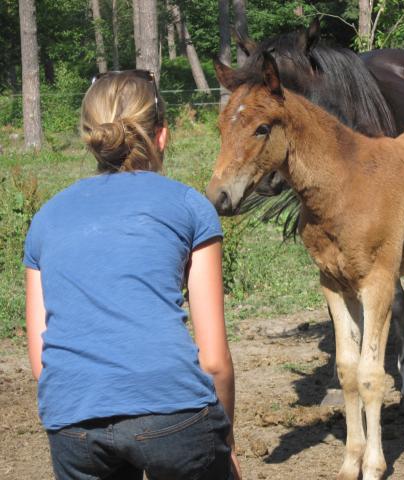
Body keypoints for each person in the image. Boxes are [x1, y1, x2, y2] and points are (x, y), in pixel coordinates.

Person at [24, 70, 241, 480]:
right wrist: (224, 443)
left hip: (73, 419)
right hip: (173, 412)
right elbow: (213, 360)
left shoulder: (46, 218)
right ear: (162, 135)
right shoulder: (189, 206)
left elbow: (41, 361)